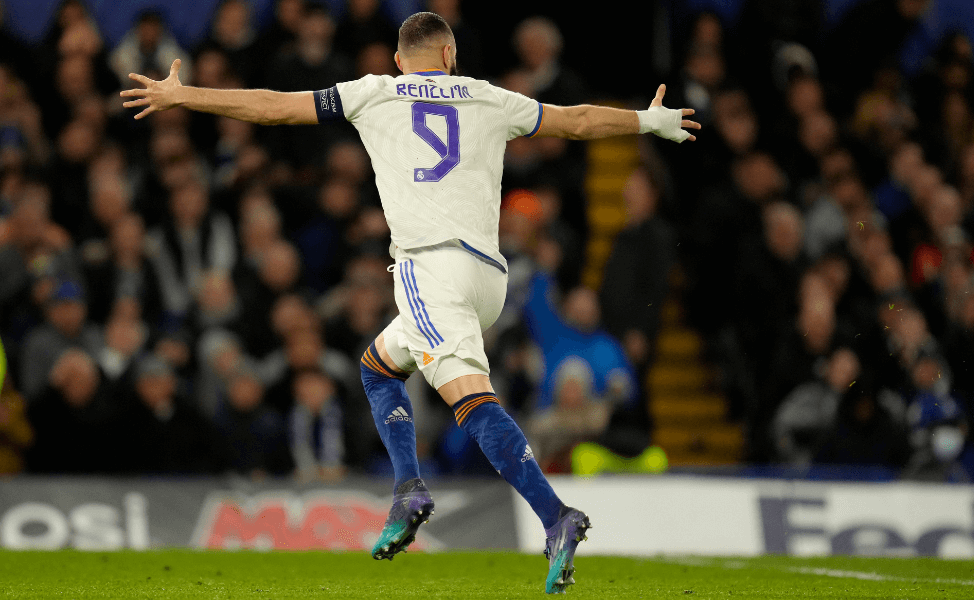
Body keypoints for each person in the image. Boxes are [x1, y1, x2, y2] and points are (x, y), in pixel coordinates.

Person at [120, 11, 699, 594]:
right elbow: (574, 121)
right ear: (450, 55)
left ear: (399, 61)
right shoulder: (486, 96)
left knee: (469, 398)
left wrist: (184, 95)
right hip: (487, 279)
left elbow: (274, 105)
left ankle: (556, 518)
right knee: (378, 368)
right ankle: (408, 491)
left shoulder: (374, 93)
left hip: (429, 270)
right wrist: (648, 121)